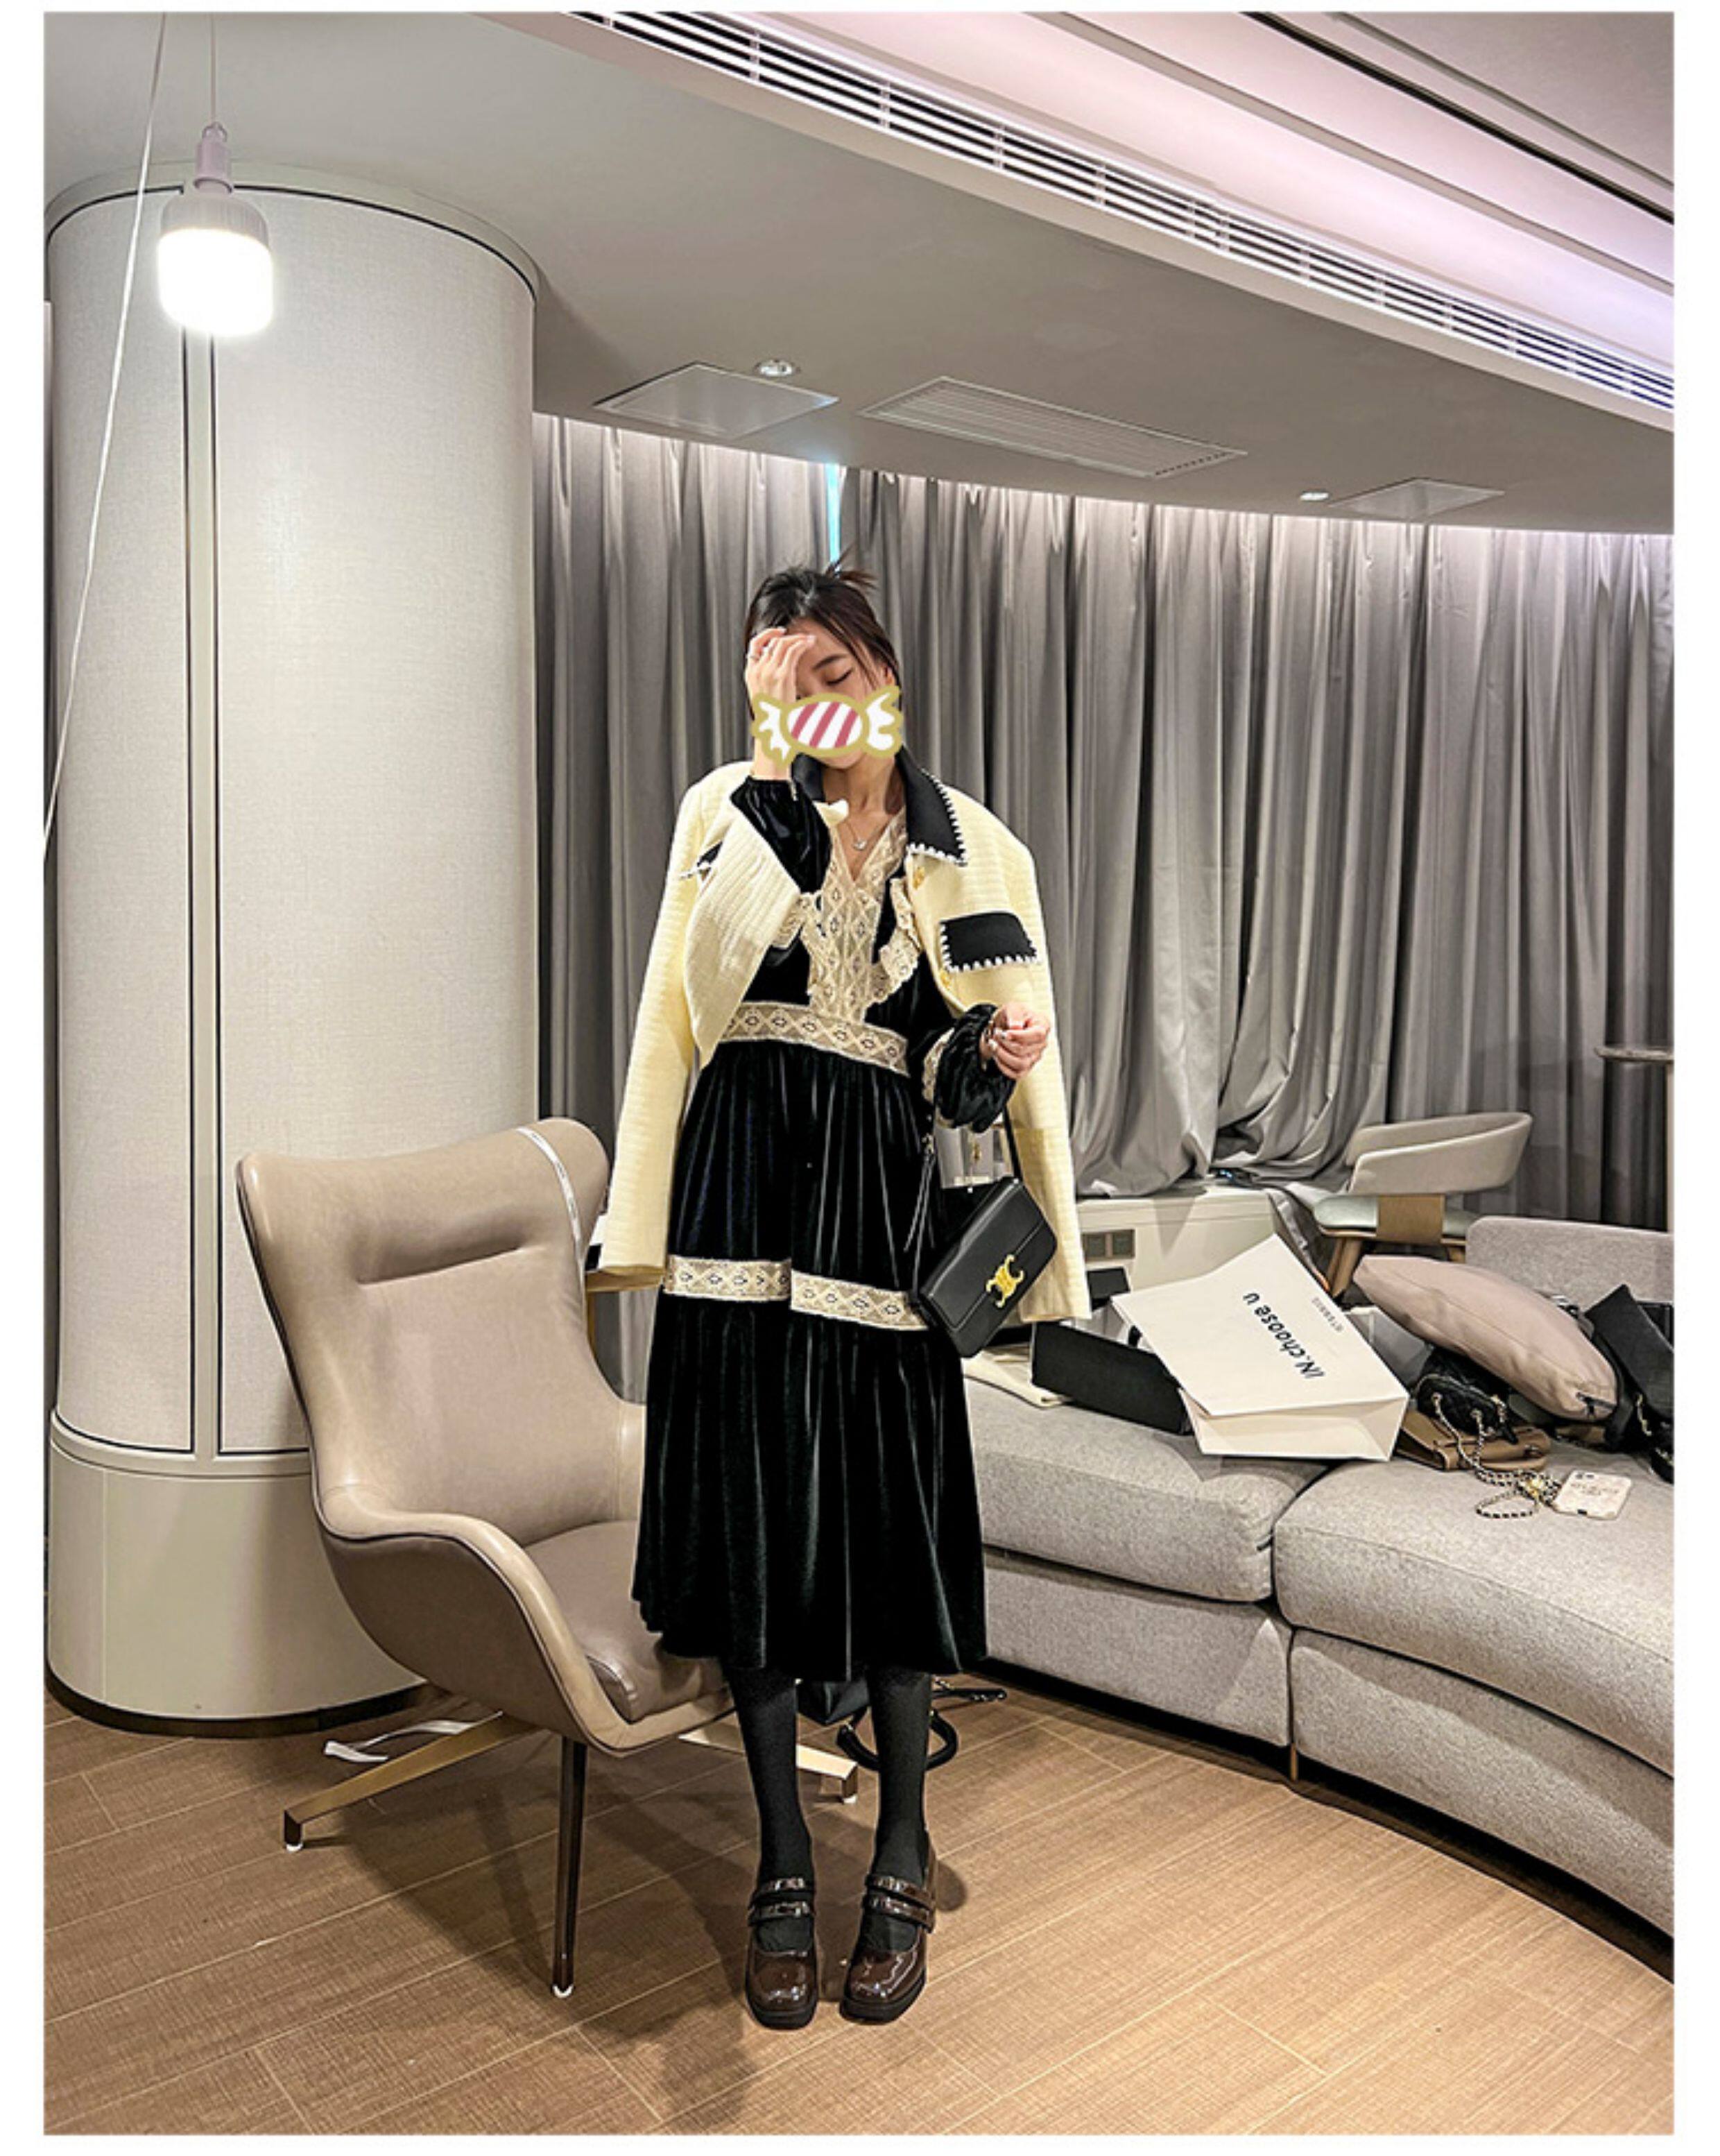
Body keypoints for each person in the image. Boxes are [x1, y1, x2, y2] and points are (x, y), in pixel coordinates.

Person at [605, 561, 1085, 2028]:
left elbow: (945, 1078)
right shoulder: (725, 812)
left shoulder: (975, 848)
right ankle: (777, 1865)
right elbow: (691, 1002)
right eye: (776, 677)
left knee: (890, 1528)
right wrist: (779, 798)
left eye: (828, 672)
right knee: (752, 1526)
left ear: (883, 676)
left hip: (877, 1212)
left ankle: (899, 1851)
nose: (806, 700)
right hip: (738, 1202)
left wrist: (986, 1060)